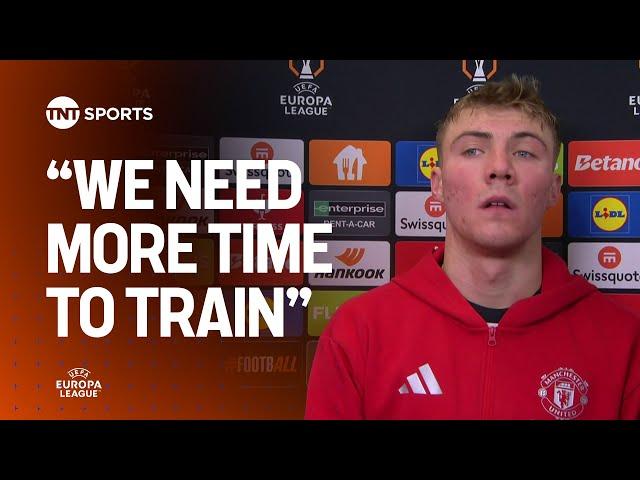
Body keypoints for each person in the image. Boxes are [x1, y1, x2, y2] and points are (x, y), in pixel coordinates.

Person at [305, 74, 640, 420]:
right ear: (438, 184)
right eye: (473, 150)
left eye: (524, 152)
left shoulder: (623, 342)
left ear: (554, 189)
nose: (499, 168)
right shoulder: (359, 333)